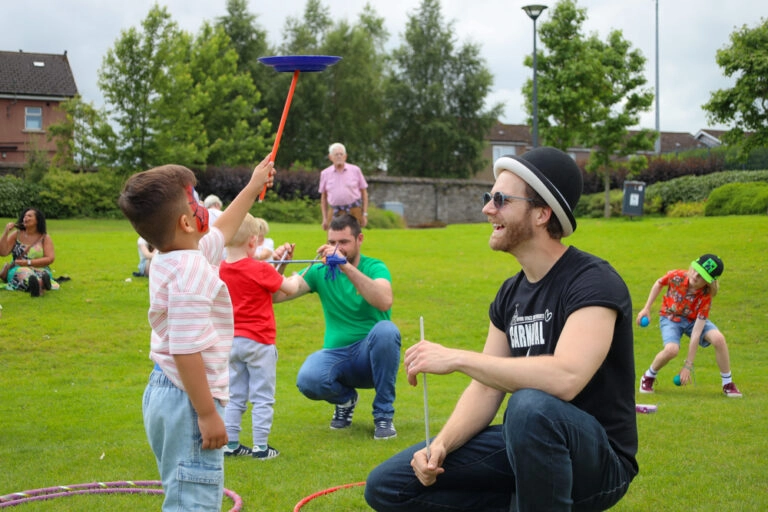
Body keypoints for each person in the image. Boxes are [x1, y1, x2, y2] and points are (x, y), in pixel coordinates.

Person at [365, 147, 638, 512]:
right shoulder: (510, 293)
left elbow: (566, 377)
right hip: (529, 445)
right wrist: (442, 445)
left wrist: (459, 358)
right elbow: (485, 388)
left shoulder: (593, 281)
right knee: (390, 486)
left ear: (542, 214)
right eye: (488, 197)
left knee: (529, 405)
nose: (487, 208)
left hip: (598, 462)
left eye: (501, 199)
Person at [117, 155, 274, 512]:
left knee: (182, 493)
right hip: (188, 399)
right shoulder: (190, 271)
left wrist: (253, 186)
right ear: (187, 222)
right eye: (197, 202)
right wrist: (206, 413)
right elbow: (185, 349)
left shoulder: (174, 256)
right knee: (194, 504)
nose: (205, 209)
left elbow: (222, 231)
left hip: (165, 394)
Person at [273, 214, 401, 440]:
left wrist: (345, 267)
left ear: (359, 239)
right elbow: (277, 296)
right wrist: (280, 267)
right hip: (337, 356)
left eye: (343, 243)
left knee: (387, 331)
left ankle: (383, 415)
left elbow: (384, 300)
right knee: (307, 379)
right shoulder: (319, 270)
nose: (336, 248)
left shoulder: (374, 267)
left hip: (371, 358)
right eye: (332, 243)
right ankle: (345, 400)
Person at [219, 214, 299, 460]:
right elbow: (290, 288)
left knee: (234, 395)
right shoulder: (260, 268)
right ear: (253, 242)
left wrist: (280, 265)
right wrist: (296, 276)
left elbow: (268, 284)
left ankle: (231, 445)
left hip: (231, 343)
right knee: (263, 396)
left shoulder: (220, 269)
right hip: (260, 343)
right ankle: (261, 448)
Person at [638, 254, 742, 397]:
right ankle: (648, 376)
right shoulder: (677, 276)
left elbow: (696, 333)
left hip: (693, 321)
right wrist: (647, 308)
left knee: (719, 339)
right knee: (671, 350)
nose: (696, 275)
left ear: (709, 281)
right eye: (696, 270)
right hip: (670, 318)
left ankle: (727, 384)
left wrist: (688, 365)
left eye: (702, 275)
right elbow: (659, 283)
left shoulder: (706, 296)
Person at [0, 207, 59, 297]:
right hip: (18, 268)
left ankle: (39, 284)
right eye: (24, 216)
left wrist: (28, 262)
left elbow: (50, 258)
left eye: (29, 216)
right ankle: (41, 285)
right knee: (25, 272)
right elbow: (3, 252)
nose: (25, 218)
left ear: (37, 220)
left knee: (42, 273)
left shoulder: (45, 237)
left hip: (39, 267)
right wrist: (6, 232)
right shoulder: (17, 234)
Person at [319, 142, 369, 230]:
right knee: (333, 239)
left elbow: (364, 193)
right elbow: (323, 198)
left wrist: (364, 214)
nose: (339, 156)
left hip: (354, 210)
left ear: (345, 156)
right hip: (335, 211)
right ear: (330, 157)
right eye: (336, 154)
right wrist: (325, 218)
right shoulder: (325, 173)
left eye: (341, 154)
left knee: (354, 238)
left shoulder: (355, 170)